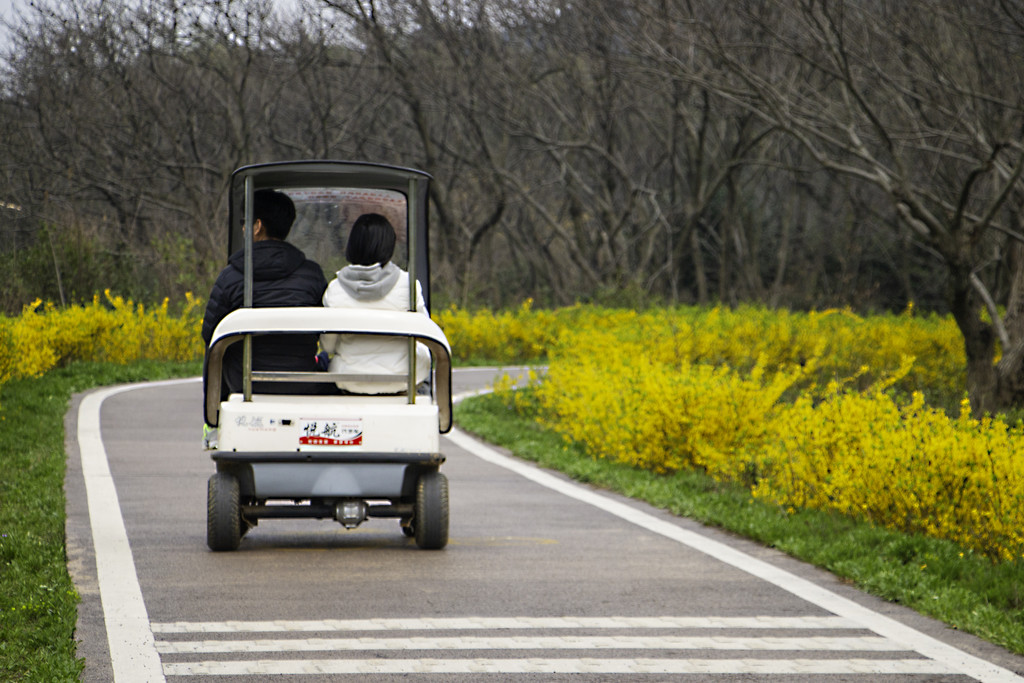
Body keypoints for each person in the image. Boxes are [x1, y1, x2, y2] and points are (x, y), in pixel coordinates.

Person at [202, 189, 328, 403]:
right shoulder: (312, 275)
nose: (242, 227)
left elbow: (210, 335)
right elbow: (323, 333)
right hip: (301, 382)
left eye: (245, 221)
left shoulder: (231, 277)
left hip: (244, 383)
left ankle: (213, 421)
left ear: (257, 226)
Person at [321, 213, 431, 394]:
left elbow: (328, 346)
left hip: (349, 379)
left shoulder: (335, 288)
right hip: (402, 378)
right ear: (389, 245)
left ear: (352, 245)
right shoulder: (408, 285)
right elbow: (424, 336)